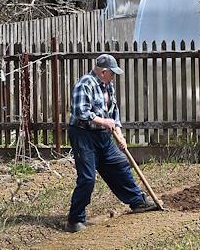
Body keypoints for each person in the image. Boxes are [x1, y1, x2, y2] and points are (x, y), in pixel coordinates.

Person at [66, 53, 157, 232]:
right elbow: (80, 113)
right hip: (83, 135)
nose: (114, 76)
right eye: (112, 73)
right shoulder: (85, 84)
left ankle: (137, 202)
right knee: (87, 178)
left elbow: (113, 112)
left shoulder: (108, 85)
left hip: (103, 136)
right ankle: (75, 219)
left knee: (119, 164)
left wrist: (119, 133)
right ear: (103, 72)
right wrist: (103, 121)